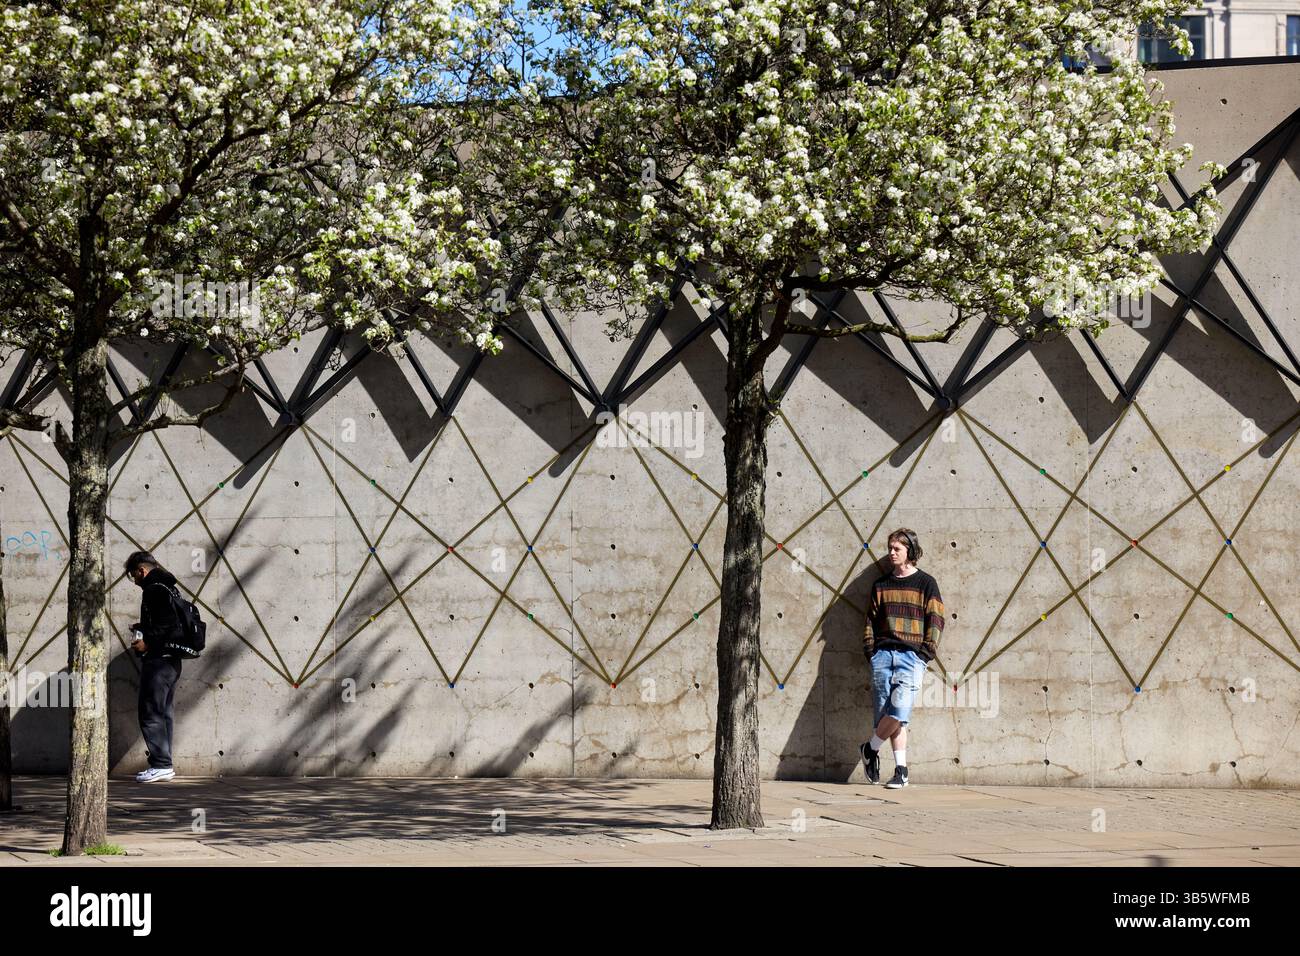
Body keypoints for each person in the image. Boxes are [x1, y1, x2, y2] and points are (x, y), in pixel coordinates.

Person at [860, 529, 945, 789]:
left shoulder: (925, 583)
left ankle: (870, 748)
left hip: (911, 657)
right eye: (890, 548)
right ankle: (901, 771)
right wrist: (871, 652)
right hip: (882, 656)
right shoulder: (881, 585)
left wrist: (925, 654)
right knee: (889, 715)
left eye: (897, 548)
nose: (892, 553)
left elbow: (936, 619)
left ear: (910, 550)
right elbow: (870, 621)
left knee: (899, 711)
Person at [124, 550, 184, 783]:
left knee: (150, 711)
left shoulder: (154, 589)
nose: (135, 582)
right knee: (163, 711)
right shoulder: (169, 587)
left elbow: (166, 626)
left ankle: (161, 764)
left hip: (159, 660)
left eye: (133, 576)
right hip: (172, 660)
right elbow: (168, 623)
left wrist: (145, 642)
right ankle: (163, 764)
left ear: (141, 570)